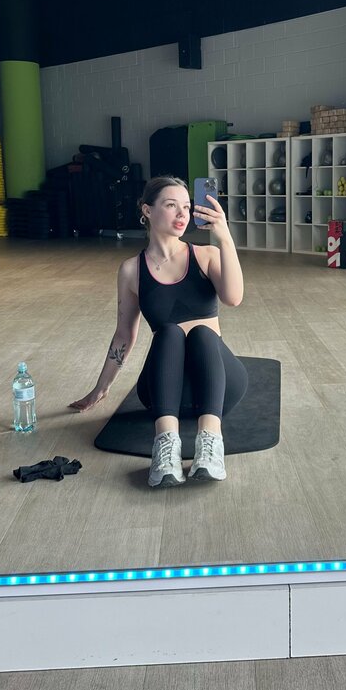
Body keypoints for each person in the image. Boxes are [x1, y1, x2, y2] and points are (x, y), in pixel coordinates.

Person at [69, 175, 247, 488]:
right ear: (147, 210)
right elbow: (124, 334)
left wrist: (225, 238)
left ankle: (211, 442)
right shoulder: (132, 270)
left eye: (187, 207)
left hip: (218, 386)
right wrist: (101, 388)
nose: (182, 214)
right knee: (168, 333)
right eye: (171, 205)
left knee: (202, 334)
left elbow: (233, 298)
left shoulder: (206, 255)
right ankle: (165, 447)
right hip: (165, 393)